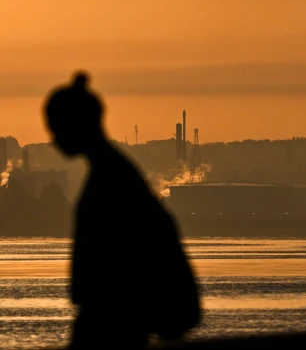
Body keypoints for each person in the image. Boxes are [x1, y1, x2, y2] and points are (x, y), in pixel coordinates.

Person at [45, 72, 200, 349]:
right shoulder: (116, 172)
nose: (53, 139)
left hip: (113, 324)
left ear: (77, 124)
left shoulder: (110, 180)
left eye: (56, 129)